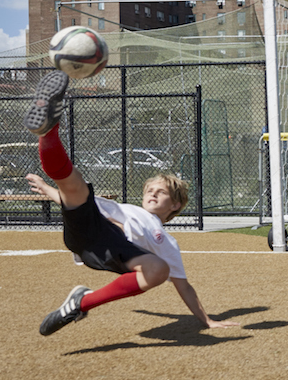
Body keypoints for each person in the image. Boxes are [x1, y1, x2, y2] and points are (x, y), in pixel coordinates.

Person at [22, 69, 238, 336]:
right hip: (91, 229)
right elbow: (74, 202)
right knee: (72, 185)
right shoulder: (126, 210)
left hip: (114, 251)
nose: (153, 193)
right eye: (150, 189)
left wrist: (207, 321)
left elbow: (183, 285)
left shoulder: (166, 241)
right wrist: (46, 189)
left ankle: (82, 303)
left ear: (175, 206)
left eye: (162, 192)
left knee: (160, 269)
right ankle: (47, 128)